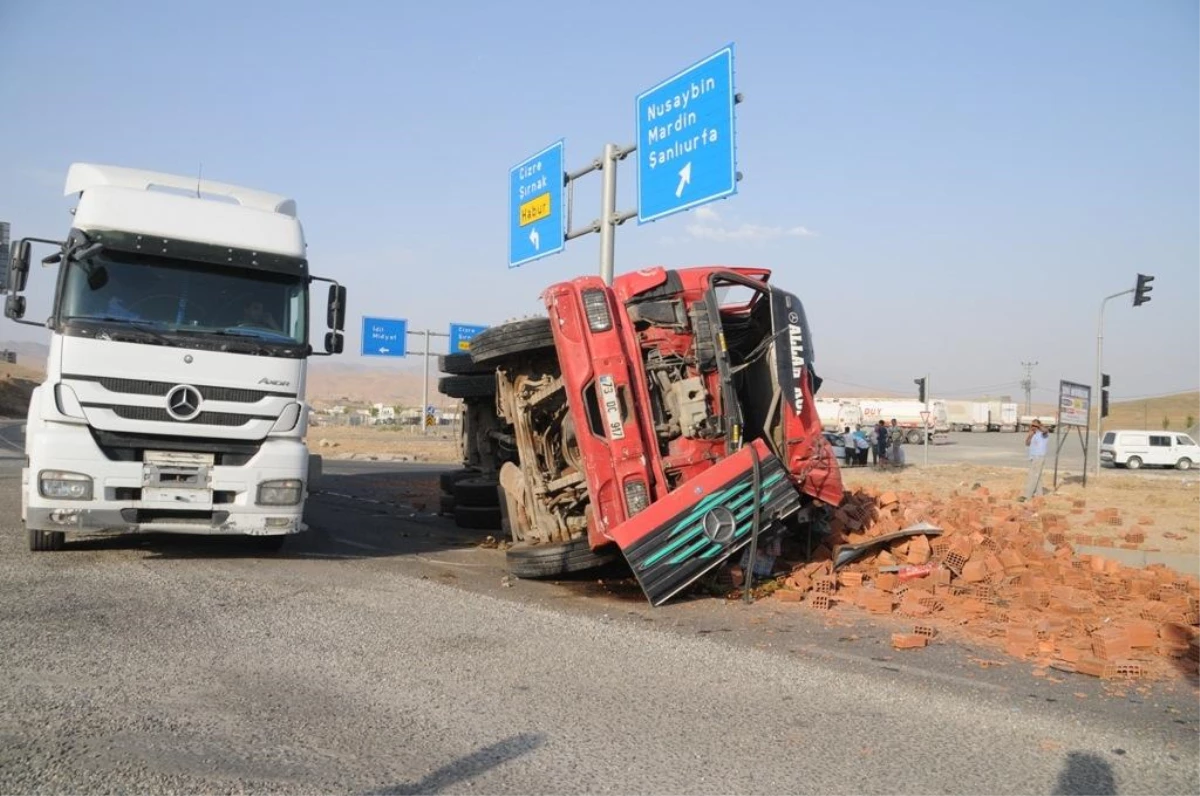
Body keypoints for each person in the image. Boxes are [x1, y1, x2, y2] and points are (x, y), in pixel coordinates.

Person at [1021, 419, 1051, 501]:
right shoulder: (1033, 434)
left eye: (1034, 426)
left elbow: (1046, 430)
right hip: (1032, 457)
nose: (1032, 427)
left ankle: (1027, 496)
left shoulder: (1043, 434)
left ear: (1039, 426)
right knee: (1038, 477)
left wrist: (1038, 426)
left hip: (1039, 457)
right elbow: (1027, 443)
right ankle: (1039, 495)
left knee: (1032, 476)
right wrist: (1030, 435)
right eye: (1032, 425)